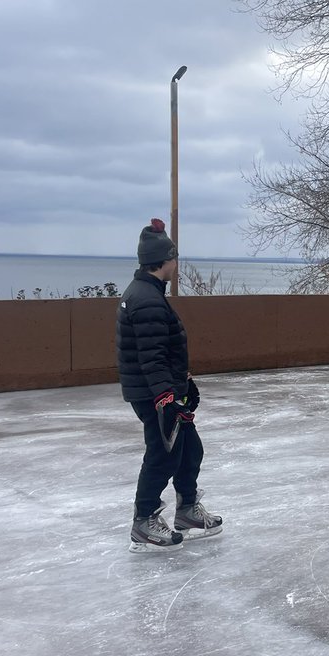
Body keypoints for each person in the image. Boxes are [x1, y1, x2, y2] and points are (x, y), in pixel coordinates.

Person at [116, 218, 223, 552]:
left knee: (190, 449)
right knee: (163, 455)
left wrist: (183, 382)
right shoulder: (146, 299)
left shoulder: (149, 293)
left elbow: (162, 349)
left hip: (165, 389)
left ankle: (187, 509)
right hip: (154, 394)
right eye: (175, 258)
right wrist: (166, 397)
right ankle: (143, 522)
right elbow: (152, 356)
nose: (177, 264)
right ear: (165, 260)